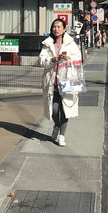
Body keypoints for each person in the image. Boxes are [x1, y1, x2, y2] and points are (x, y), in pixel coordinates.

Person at [39, 18, 81, 147]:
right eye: (54, 26)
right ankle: (57, 125)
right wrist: (53, 59)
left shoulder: (70, 43)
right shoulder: (47, 43)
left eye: (59, 27)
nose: (56, 29)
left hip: (66, 81)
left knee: (65, 110)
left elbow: (78, 58)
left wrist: (68, 58)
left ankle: (62, 136)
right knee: (54, 109)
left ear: (64, 29)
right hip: (52, 82)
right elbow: (41, 61)